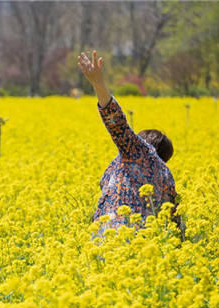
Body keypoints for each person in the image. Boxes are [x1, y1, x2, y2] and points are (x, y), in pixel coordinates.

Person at [76, 51, 184, 238]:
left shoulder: (138, 153)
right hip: (140, 250)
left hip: (113, 241)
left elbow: (117, 123)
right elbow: (175, 227)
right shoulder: (167, 177)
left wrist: (98, 84)